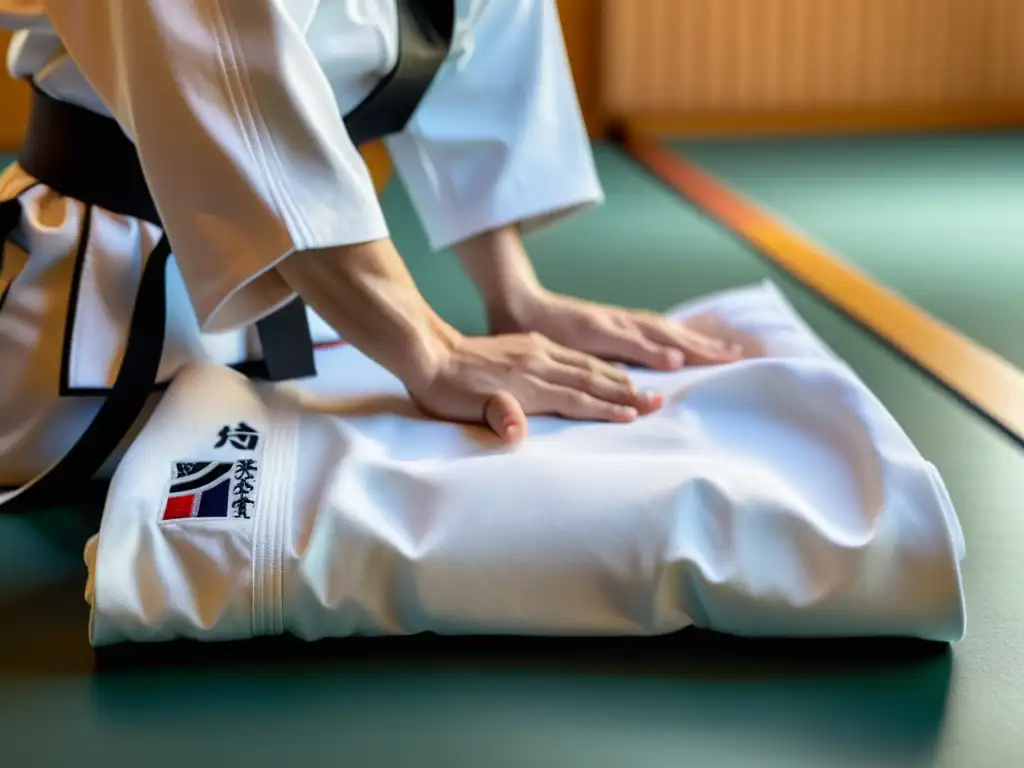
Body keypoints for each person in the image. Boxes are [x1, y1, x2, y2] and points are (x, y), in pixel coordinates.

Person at [0, 0, 740, 499]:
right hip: (99, 300)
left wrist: (515, 299)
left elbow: (466, 27)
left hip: (325, 316)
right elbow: (222, 59)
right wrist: (432, 348)